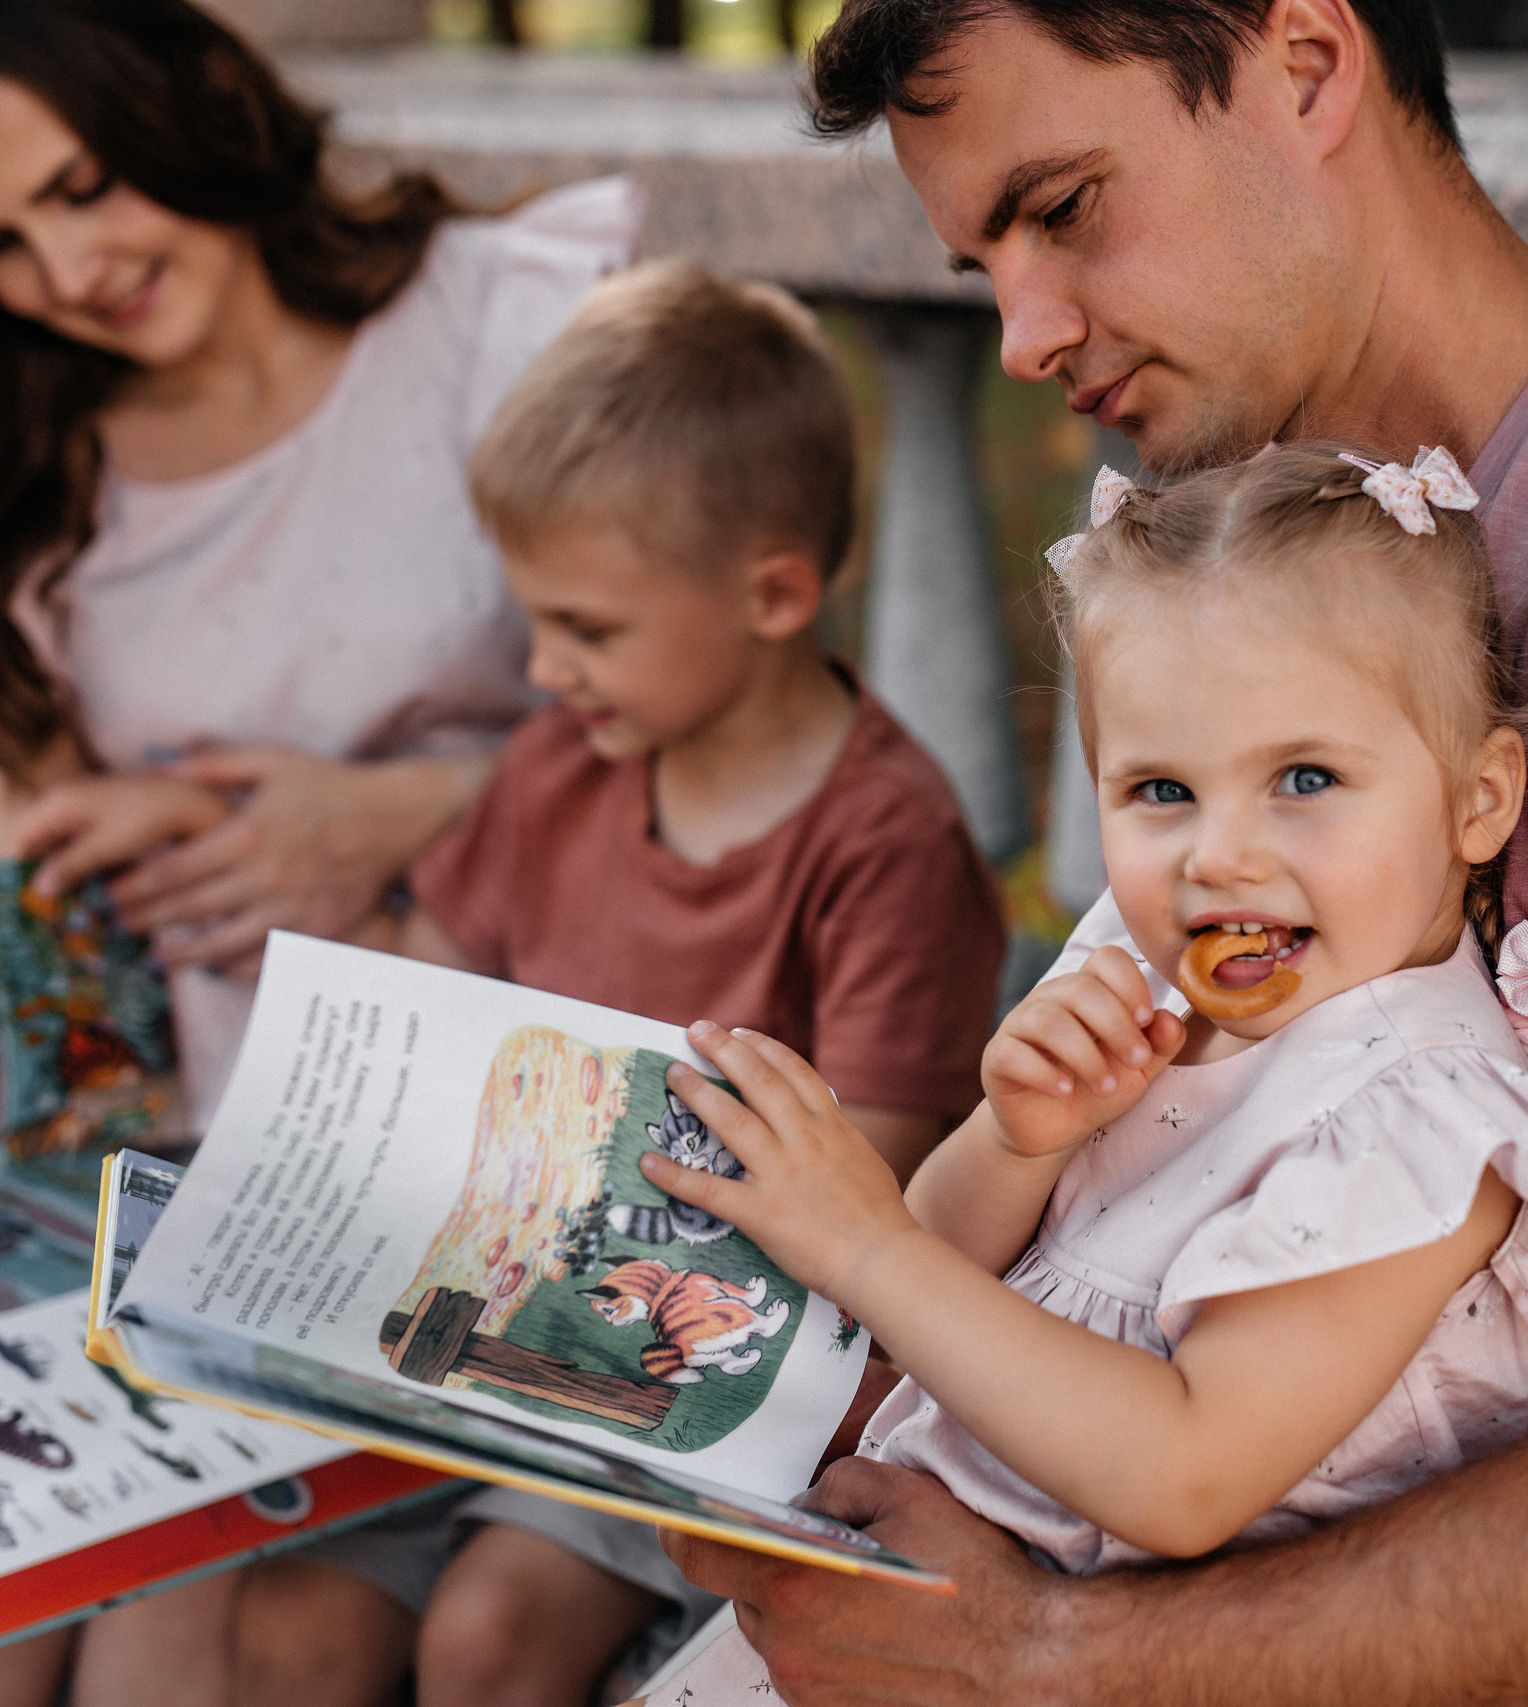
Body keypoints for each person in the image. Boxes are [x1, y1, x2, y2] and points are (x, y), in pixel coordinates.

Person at [660, 3, 1528, 1704]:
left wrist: (1036, 1658)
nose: (1026, 335)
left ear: (1312, 65)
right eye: (986, 266)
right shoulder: (1247, 573)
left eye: (1065, 208)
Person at [0, 1, 635, 1701]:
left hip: (493, 1161)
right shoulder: (22, 475)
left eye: (83, 186)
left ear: (183, 105)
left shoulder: (507, 325)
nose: (67, 270)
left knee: (171, 1632)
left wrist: (404, 814)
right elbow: (45, 985)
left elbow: (754, 746)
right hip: (179, 1176)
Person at [636, 442, 1528, 1707]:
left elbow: (1184, 1475)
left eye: (1305, 779)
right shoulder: (1136, 968)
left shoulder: (1419, 1121)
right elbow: (921, 1283)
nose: (1219, 856)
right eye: (1161, 789)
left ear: (1478, 801)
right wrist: (1018, 1139)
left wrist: (864, 1241)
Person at [313, 259, 1003, 1707]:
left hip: (687, 1369)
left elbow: (869, 1184)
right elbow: (436, 1008)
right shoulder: (559, 766)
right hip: (465, 1324)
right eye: (536, 621)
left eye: (589, 630)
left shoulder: (887, 840)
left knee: (487, 1634)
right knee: (271, 1624)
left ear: (775, 593)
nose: (545, 669)